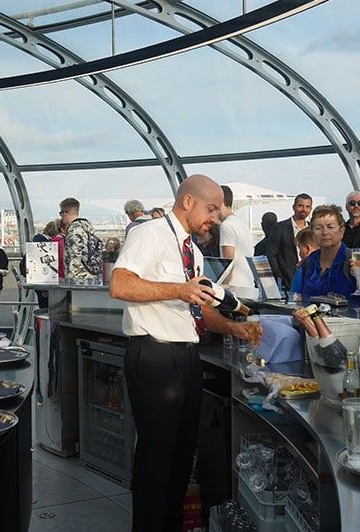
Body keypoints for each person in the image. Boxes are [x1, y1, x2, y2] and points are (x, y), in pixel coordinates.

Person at [109, 174, 254, 532]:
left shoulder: (194, 252)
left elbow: (201, 309)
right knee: (156, 460)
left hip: (187, 359)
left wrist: (236, 328)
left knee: (180, 459)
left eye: (219, 212)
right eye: (211, 209)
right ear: (188, 202)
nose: (216, 219)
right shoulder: (150, 234)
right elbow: (120, 284)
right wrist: (180, 289)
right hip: (154, 357)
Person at [294, 204, 359, 299]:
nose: (325, 232)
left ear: (342, 231)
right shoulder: (309, 262)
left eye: (330, 227)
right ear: (312, 233)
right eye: (318, 228)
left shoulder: (355, 261)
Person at [266, 193, 312, 289]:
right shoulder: (280, 227)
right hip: (288, 281)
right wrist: (280, 277)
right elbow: (271, 254)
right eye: (300, 206)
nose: (304, 209)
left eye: (307, 206)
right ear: (294, 207)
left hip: (310, 279)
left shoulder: (313, 228)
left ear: (311, 209)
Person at [218, 185, 255, 296]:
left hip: (234, 288)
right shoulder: (241, 223)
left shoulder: (226, 225)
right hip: (248, 285)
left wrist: (223, 290)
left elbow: (228, 262)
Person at [60, 197, 102, 283]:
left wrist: (70, 279)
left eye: (61, 213)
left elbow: (73, 259)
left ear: (65, 213)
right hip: (91, 276)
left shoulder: (74, 231)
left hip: (78, 279)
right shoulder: (87, 228)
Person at [289, 227, 318, 297]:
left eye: (300, 249)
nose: (299, 254)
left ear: (308, 249)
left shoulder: (302, 273)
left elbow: (294, 298)